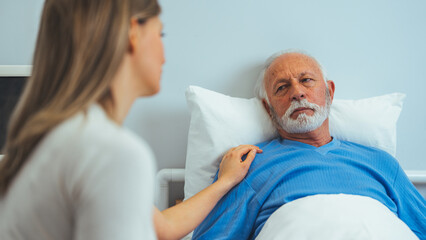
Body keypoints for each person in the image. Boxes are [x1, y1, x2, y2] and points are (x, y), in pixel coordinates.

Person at [0, 0, 262, 240]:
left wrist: (224, 182)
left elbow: (162, 227)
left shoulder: (53, 138)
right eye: (161, 34)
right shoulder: (112, 154)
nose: (164, 55)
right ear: (133, 34)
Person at [192, 50, 426, 239]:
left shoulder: (381, 163)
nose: (297, 93)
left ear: (329, 92)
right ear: (268, 108)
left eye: (306, 80)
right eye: (282, 87)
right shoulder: (248, 168)